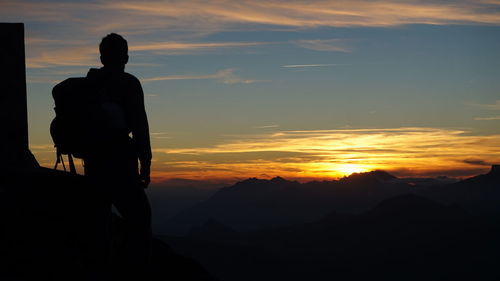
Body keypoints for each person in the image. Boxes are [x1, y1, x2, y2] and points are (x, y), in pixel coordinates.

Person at [82, 33, 152, 280]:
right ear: (126, 57)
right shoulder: (129, 83)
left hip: (93, 160)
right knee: (140, 217)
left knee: (99, 219)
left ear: (102, 57)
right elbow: (139, 124)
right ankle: (133, 270)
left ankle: (100, 266)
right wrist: (146, 161)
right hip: (121, 159)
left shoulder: (89, 83)